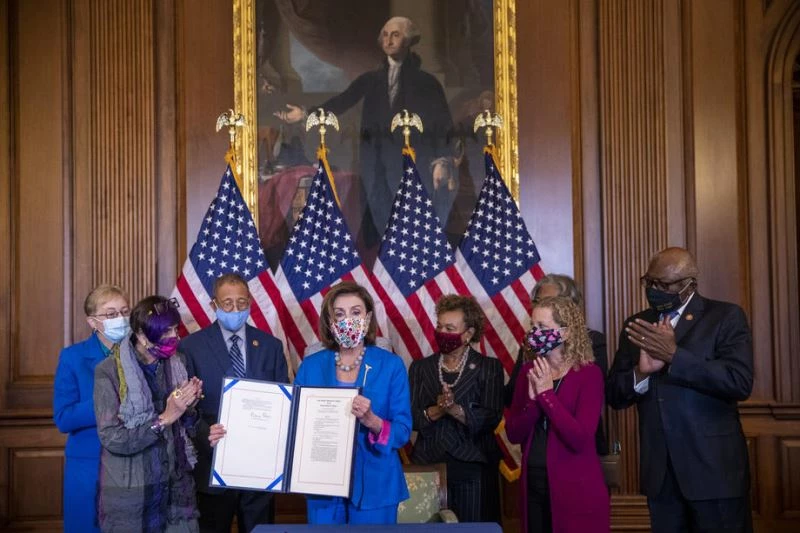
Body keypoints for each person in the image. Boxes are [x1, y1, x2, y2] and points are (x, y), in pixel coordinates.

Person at [210, 281, 411, 524]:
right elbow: (289, 422)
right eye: (339, 314)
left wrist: (373, 421)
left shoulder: (390, 365)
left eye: (356, 312)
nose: (348, 319)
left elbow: (402, 432)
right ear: (329, 321)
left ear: (368, 318)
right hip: (321, 485)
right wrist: (235, 433)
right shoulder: (312, 366)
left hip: (376, 486)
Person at [606, 247, 754, 532]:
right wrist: (640, 373)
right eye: (649, 282)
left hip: (714, 472)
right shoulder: (638, 325)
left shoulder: (724, 317)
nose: (654, 289)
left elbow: (739, 381)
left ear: (689, 286)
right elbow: (614, 394)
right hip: (661, 477)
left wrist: (676, 357)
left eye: (664, 285)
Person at [275, 16, 453, 250]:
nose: (389, 40)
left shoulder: (427, 83)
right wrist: (307, 114)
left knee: (413, 231)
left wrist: (441, 161)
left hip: (414, 165)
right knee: (382, 225)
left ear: (409, 41)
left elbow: (443, 125)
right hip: (376, 164)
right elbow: (343, 101)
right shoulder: (371, 79)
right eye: (386, 35)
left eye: (396, 35)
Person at [180, 273, 288, 533]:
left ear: (250, 302)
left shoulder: (270, 346)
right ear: (213, 305)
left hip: (260, 466)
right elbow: (185, 409)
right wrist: (209, 436)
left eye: (241, 302)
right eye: (227, 303)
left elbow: (284, 401)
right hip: (212, 465)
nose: (235, 309)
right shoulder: (190, 347)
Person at [94, 296, 203, 533]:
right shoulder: (109, 371)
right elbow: (112, 438)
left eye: (175, 329)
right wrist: (164, 418)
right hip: (132, 495)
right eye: (166, 332)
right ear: (142, 336)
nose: (174, 336)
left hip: (176, 494)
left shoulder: (178, 362)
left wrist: (190, 405)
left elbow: (189, 428)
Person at [506, 296, 609, 533]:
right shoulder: (527, 371)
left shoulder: (588, 374)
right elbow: (513, 433)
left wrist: (546, 395)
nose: (535, 333)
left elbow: (580, 438)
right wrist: (532, 404)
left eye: (543, 327)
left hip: (575, 485)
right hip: (533, 481)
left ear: (564, 333)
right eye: (533, 327)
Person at [408, 294, 503, 522]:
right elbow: (411, 418)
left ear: (468, 334)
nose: (442, 333)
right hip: (428, 466)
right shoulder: (420, 368)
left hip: (472, 466)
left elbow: (491, 418)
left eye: (450, 328)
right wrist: (439, 409)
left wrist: (455, 409)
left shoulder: (488, 367)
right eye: (440, 326)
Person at [54, 284, 130, 533]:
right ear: (92, 322)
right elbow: (64, 419)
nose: (120, 318)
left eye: (124, 311)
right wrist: (105, 401)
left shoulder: (140, 355)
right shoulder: (73, 357)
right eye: (110, 314)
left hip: (135, 466)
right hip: (90, 467)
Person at [505, 274, 609, 456]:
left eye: (553, 301)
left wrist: (546, 395)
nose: (544, 306)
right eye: (540, 301)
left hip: (574, 456)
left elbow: (592, 397)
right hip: (536, 456)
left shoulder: (592, 350)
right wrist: (529, 358)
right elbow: (512, 398)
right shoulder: (531, 346)